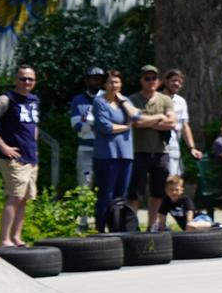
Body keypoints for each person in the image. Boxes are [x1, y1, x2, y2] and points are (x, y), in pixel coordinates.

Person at [0, 65, 41, 247]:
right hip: (14, 159)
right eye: (23, 78)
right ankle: (4, 239)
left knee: (24, 199)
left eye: (30, 79)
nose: (27, 82)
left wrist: (35, 147)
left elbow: (34, 126)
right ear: (15, 80)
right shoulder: (7, 99)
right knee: (14, 197)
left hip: (31, 158)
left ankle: (16, 237)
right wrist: (3, 146)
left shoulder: (34, 99)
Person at [127, 65, 177, 231]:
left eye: (153, 78)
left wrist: (148, 121)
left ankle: (152, 226)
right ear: (141, 80)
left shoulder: (165, 100)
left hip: (160, 152)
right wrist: (159, 118)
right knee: (134, 193)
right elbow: (136, 122)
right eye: (147, 78)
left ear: (158, 81)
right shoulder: (132, 100)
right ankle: (132, 226)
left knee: (157, 192)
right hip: (138, 151)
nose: (150, 82)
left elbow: (172, 123)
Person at [90, 68, 138, 233]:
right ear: (104, 84)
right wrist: (126, 126)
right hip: (107, 155)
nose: (114, 85)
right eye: (110, 82)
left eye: (117, 82)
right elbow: (105, 127)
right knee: (106, 194)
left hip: (125, 154)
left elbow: (137, 117)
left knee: (121, 195)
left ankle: (118, 227)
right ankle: (101, 229)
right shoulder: (99, 102)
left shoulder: (125, 101)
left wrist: (123, 102)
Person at [68, 65, 105, 190]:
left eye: (99, 78)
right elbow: (76, 126)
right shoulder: (78, 100)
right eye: (93, 78)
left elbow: (110, 124)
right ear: (86, 80)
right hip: (85, 149)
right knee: (85, 185)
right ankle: (85, 210)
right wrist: (97, 124)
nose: (97, 81)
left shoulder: (108, 98)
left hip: (105, 149)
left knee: (105, 187)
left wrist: (89, 122)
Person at [163, 68, 199, 179]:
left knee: (175, 179)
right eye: (174, 80)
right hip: (160, 147)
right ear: (166, 81)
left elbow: (185, 126)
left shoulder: (181, 101)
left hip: (175, 147)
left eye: (180, 82)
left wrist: (192, 148)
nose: (177, 84)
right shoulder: (158, 98)